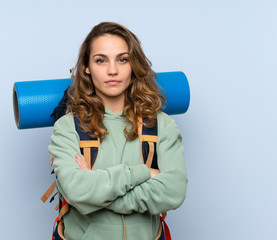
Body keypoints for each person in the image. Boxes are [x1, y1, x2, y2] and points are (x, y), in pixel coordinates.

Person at [48, 22, 187, 240]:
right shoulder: (67, 128)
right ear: (86, 67)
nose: (112, 70)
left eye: (123, 59)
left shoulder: (162, 125)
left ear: (134, 65)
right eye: (100, 60)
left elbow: (174, 191)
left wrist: (96, 196)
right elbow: (77, 191)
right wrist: (143, 173)